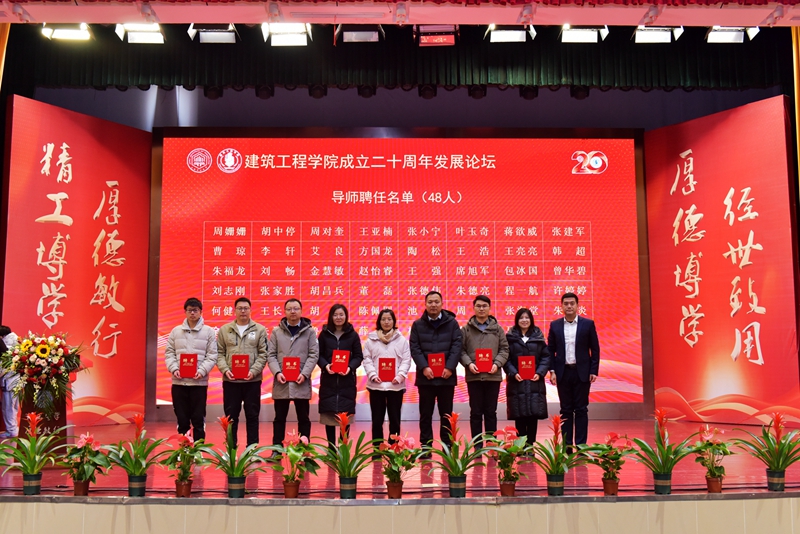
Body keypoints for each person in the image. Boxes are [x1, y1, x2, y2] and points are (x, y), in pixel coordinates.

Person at [410, 291, 463, 450]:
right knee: (425, 414)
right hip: (425, 377)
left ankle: (447, 445)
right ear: (425, 304)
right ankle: (426, 446)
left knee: (446, 414)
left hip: (446, 377)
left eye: (436, 302)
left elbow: (457, 346)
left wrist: (449, 367)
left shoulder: (452, 323)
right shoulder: (418, 325)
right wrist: (424, 367)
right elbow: (415, 348)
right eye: (430, 302)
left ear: (442, 304)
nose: (433, 305)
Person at [548, 292, 600, 451]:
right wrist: (552, 371)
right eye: (566, 304)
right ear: (561, 306)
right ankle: (567, 446)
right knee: (565, 410)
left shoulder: (588, 324)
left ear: (577, 306)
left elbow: (595, 349)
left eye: (572, 303)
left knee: (581, 409)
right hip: (563, 373)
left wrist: (593, 370)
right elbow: (550, 350)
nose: (569, 306)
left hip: (582, 373)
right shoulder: (555, 325)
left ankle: (581, 446)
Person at [216, 297, 269, 448]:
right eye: (240, 308)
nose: (243, 311)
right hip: (231, 381)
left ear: (250, 310)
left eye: (246, 308)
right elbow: (219, 353)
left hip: (252, 381)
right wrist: (225, 370)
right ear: (235, 311)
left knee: (252, 416)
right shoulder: (225, 330)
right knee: (231, 418)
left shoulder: (260, 330)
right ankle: (231, 450)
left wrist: (253, 371)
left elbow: (263, 354)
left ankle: (252, 449)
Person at [164, 297, 218, 441]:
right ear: (185, 312)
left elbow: (212, 355)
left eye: (195, 310)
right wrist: (174, 368)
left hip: (198, 383)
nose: (192, 313)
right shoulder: (176, 331)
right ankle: (184, 449)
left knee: (198, 419)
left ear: (200, 311)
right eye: (189, 310)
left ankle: (198, 448)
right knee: (182, 419)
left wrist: (201, 371)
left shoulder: (208, 332)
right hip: (179, 382)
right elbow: (169, 353)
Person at [267, 298, 319, 445]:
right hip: (281, 381)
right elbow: (271, 355)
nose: (293, 312)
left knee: (303, 418)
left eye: (296, 308)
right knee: (279, 418)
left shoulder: (309, 332)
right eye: (289, 309)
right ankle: (277, 449)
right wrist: (277, 373)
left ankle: (304, 449)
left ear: (301, 311)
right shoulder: (276, 332)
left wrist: (304, 374)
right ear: (284, 312)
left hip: (301, 380)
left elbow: (313, 354)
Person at [460, 295, 508, 446]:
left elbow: (504, 349)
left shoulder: (498, 329)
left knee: (490, 412)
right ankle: (477, 445)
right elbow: (460, 350)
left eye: (484, 306)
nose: (481, 309)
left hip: (492, 376)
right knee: (475, 412)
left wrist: (497, 364)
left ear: (489, 308)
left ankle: (491, 445)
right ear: (474, 308)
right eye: (478, 306)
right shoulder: (466, 329)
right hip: (474, 376)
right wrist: (469, 364)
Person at [317, 304, 363, 447]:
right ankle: (331, 449)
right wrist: (326, 366)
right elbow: (318, 355)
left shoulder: (353, 335)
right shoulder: (324, 334)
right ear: (331, 316)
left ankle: (343, 449)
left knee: (345, 418)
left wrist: (350, 367)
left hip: (346, 382)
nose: (338, 317)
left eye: (341, 314)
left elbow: (358, 356)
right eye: (335, 315)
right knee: (329, 417)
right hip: (329, 381)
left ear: (346, 316)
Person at [362, 309, 412, 443]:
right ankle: (377, 447)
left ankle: (394, 447)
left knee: (395, 420)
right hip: (376, 386)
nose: (386, 322)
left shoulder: (401, 340)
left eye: (389, 319)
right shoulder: (371, 340)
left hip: (395, 386)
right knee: (377, 420)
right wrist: (373, 375)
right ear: (379, 321)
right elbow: (367, 359)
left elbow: (406, 360)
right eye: (383, 319)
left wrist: (400, 376)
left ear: (394, 321)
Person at [504, 308, 551, 443]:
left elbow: (546, 357)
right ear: (517, 320)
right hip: (517, 382)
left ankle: (530, 446)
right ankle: (520, 446)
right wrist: (514, 373)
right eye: (521, 318)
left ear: (531, 320)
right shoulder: (510, 338)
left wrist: (539, 372)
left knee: (533, 415)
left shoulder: (538, 337)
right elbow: (506, 359)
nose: (524, 320)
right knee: (519, 415)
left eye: (527, 317)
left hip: (534, 381)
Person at [0, 326, 19, 439]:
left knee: (8, 408)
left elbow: (3, 368)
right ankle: (13, 429)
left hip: (9, 382)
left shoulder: (7, 349)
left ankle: (11, 431)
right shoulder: (15, 346)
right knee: (13, 407)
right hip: (16, 382)